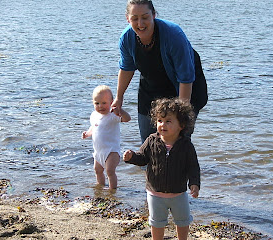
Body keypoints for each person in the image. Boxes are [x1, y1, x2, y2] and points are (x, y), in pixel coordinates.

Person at [112, 0, 208, 143]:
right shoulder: (126, 38)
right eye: (135, 18)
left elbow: (186, 77)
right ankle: (149, 166)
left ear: (154, 15)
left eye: (145, 17)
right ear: (128, 18)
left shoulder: (174, 35)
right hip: (150, 87)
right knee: (149, 143)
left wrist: (181, 115)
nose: (140, 24)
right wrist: (119, 98)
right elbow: (127, 68)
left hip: (185, 87)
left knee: (177, 142)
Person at [123, 98, 200, 240]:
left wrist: (194, 184)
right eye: (159, 120)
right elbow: (142, 158)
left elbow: (193, 167)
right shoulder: (151, 141)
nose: (162, 124)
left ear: (181, 125)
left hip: (178, 193)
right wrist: (132, 157)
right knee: (156, 222)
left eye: (168, 121)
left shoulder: (186, 145)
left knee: (182, 220)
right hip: (155, 193)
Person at [82, 85, 131, 191]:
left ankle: (112, 190)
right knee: (97, 170)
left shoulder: (113, 116)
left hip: (112, 151)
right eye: (97, 103)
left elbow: (127, 119)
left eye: (104, 103)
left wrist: (120, 110)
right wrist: (87, 133)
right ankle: (100, 187)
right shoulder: (94, 115)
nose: (100, 106)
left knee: (110, 171)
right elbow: (94, 127)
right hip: (98, 152)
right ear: (93, 103)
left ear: (111, 102)